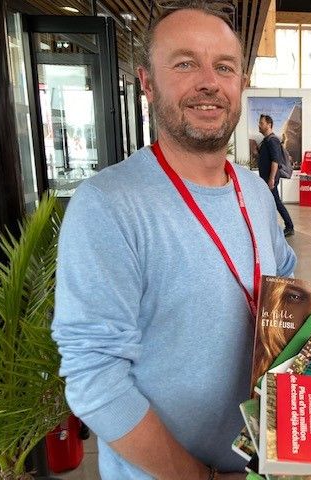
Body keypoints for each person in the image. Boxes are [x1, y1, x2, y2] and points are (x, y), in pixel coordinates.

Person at [51, 3, 296, 480]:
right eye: (185, 63)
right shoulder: (108, 205)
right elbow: (94, 382)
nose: (209, 81)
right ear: (147, 82)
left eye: (224, 67)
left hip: (262, 465)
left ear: (240, 84)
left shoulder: (254, 193)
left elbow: (282, 283)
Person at [258, 114, 295, 236]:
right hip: (266, 178)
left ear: (269, 125)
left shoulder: (272, 140)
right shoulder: (266, 140)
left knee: (276, 202)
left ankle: (289, 226)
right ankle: (270, 226)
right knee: (270, 202)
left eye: (261, 123)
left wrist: (272, 179)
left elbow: (275, 160)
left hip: (270, 179)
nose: (259, 125)